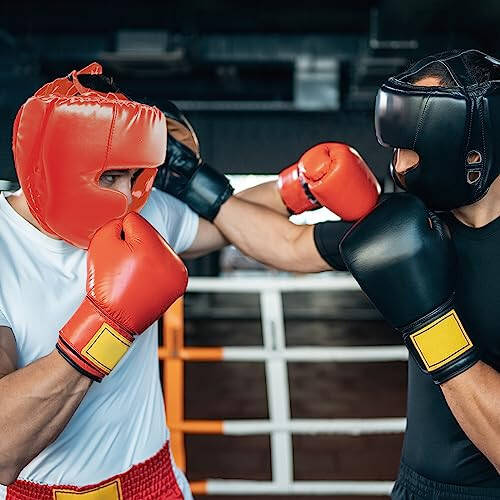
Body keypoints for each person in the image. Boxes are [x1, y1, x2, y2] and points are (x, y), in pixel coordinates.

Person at [0, 63, 379, 499]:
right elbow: (4, 449)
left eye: (134, 177)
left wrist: (298, 189)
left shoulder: (136, 215)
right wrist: (106, 327)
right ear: (53, 167)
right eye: (110, 178)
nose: (126, 198)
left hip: (156, 481)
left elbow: (226, 223)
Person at [340, 49, 500, 499]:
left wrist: (434, 330)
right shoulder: (415, 228)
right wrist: (187, 178)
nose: (400, 167)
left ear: (471, 148)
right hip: (412, 487)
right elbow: (286, 245)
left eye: (416, 148)